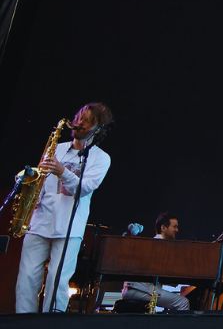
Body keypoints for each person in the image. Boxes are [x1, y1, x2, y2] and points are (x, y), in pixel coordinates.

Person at [15, 103, 113, 313]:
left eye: (86, 120)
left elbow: (85, 187)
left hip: (69, 227)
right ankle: (22, 321)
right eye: (78, 117)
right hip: (40, 221)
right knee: (26, 279)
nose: (78, 122)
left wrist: (62, 171)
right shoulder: (57, 148)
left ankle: (50, 322)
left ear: (98, 128)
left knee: (57, 282)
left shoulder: (101, 158)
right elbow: (42, 180)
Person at [120, 213, 192, 311]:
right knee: (182, 303)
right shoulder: (159, 245)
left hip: (138, 288)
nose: (177, 230)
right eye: (174, 227)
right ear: (163, 228)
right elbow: (167, 273)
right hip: (138, 290)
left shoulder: (157, 244)